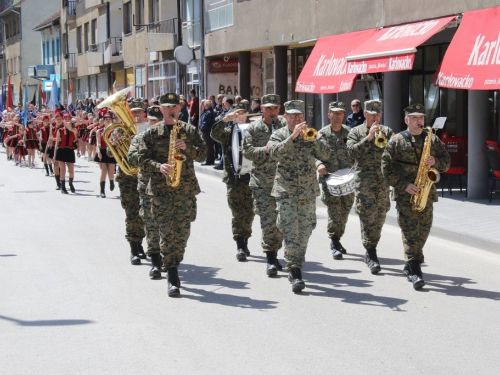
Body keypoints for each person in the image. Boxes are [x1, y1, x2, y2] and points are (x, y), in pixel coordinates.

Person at [137, 93, 207, 297]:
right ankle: (173, 275)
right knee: (166, 233)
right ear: (160, 109)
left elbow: (203, 154)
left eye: (174, 106)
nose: (171, 110)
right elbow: (139, 159)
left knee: (182, 234)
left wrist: (189, 148)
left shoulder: (190, 131)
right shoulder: (150, 134)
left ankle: (174, 262)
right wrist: (159, 166)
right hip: (160, 192)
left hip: (184, 191)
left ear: (180, 108)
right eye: (167, 107)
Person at [382, 104, 450, 290]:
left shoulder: (432, 139)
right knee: (410, 231)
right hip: (406, 194)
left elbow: (446, 162)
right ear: (406, 120)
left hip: (427, 192)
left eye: (421, 118)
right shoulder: (396, 141)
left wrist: (436, 161)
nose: (419, 121)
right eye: (414, 118)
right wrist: (404, 185)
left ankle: (411, 262)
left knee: (424, 230)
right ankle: (414, 269)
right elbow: (386, 168)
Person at [267, 100, 330, 292]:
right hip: (286, 191)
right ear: (285, 117)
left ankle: (296, 262)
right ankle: (294, 270)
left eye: (299, 115)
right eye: (293, 115)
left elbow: (326, 154)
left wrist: (315, 139)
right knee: (290, 230)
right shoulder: (278, 135)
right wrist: (292, 137)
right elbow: (273, 153)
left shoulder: (311, 135)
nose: (297, 119)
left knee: (305, 229)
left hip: (307, 192)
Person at [242, 94, 287, 276]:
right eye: (268, 108)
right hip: (262, 183)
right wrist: (266, 150)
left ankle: (275, 252)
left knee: (281, 221)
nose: (271, 112)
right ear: (261, 109)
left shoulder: (285, 126)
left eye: (274, 108)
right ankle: (270, 257)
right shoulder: (253, 128)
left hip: (284, 181)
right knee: (268, 221)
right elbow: (247, 151)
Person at [346, 100, 393, 274]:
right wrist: (368, 138)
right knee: (366, 217)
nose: (375, 117)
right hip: (364, 182)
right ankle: (370, 252)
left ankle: (373, 245)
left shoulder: (387, 132)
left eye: (378, 114)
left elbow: (393, 154)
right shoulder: (355, 132)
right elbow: (351, 153)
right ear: (365, 114)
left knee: (379, 218)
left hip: (382, 183)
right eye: (372, 114)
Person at [210, 101, 255, 261]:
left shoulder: (254, 130)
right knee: (237, 213)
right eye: (237, 114)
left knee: (249, 213)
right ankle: (240, 245)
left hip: (251, 178)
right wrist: (224, 120)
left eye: (243, 113)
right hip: (234, 179)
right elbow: (214, 133)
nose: (240, 116)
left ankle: (246, 240)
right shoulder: (227, 132)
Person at [316, 102, 355, 260]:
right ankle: (334, 241)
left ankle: (337, 237)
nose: (338, 116)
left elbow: (356, 150)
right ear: (329, 114)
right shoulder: (321, 134)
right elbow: (313, 154)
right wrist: (318, 164)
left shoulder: (350, 133)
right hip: (330, 178)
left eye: (340, 113)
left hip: (347, 178)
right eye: (334, 113)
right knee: (334, 211)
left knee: (345, 210)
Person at [128, 105, 163, 278]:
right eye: (152, 121)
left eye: (158, 120)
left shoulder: (169, 137)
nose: (154, 124)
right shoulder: (139, 136)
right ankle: (154, 259)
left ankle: (166, 258)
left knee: (164, 225)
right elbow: (131, 158)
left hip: (165, 188)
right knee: (146, 221)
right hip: (145, 185)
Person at [112, 100, 147, 265]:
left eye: (139, 112)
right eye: (133, 113)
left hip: (147, 177)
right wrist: (115, 142)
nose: (136, 116)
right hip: (127, 178)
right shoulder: (120, 130)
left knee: (147, 213)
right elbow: (109, 153)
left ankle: (142, 244)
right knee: (132, 213)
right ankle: (134, 247)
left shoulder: (149, 129)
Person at [54, 113, 78, 194]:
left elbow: (75, 133)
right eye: (66, 119)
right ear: (63, 121)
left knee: (71, 170)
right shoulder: (60, 130)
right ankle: (63, 187)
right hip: (61, 150)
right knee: (62, 170)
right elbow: (56, 144)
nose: (67, 120)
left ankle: (71, 183)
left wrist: (69, 127)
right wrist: (54, 155)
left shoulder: (74, 129)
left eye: (69, 119)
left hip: (70, 151)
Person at [96, 114, 117, 198]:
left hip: (111, 152)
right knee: (103, 172)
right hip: (102, 152)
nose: (108, 120)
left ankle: (111, 181)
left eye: (109, 119)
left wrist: (115, 142)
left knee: (111, 173)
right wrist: (98, 152)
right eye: (106, 119)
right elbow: (98, 143)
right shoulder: (99, 131)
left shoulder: (115, 130)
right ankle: (102, 191)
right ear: (103, 121)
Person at [199, 99, 215, 166]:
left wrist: (202, 129)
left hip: (207, 131)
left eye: (205, 104)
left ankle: (208, 161)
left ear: (207, 105)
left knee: (208, 146)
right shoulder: (208, 111)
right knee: (210, 146)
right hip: (207, 131)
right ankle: (210, 160)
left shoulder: (209, 112)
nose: (204, 105)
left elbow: (205, 122)